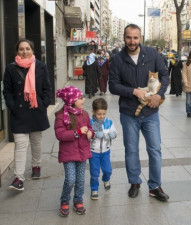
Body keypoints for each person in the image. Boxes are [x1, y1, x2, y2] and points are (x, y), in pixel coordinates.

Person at [109, 24, 170, 202]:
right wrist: (134, 91)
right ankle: (134, 182)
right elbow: (112, 86)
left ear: (140, 38)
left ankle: (155, 186)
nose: (132, 41)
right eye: (129, 37)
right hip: (129, 113)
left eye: (135, 38)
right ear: (124, 38)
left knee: (155, 149)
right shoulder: (118, 59)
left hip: (151, 112)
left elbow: (165, 75)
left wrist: (159, 95)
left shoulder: (152, 54)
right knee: (131, 150)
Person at [3, 39, 51, 191]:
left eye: (27, 49)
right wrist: (13, 107)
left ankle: (36, 166)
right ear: (17, 51)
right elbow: (7, 91)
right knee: (20, 145)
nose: (24, 52)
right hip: (20, 112)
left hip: (36, 110)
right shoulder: (11, 68)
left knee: (36, 142)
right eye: (21, 49)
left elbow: (47, 89)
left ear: (32, 50)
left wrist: (43, 104)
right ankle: (18, 178)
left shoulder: (41, 67)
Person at [55, 86, 94, 216]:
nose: (83, 100)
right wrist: (76, 132)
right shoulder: (62, 116)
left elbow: (90, 128)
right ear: (72, 100)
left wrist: (90, 133)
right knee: (71, 179)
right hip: (69, 153)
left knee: (81, 179)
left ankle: (78, 200)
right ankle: (64, 200)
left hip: (82, 152)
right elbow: (60, 135)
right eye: (80, 98)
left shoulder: (85, 114)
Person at [89, 98, 117, 200]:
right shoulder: (90, 122)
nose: (102, 116)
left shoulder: (109, 122)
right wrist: (94, 134)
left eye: (104, 113)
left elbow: (115, 132)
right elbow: (87, 136)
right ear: (93, 112)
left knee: (108, 170)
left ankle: (106, 179)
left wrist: (113, 134)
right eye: (99, 114)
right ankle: (94, 189)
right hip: (93, 152)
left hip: (105, 151)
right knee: (94, 172)